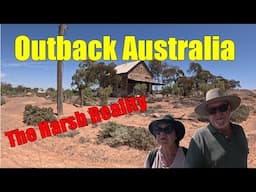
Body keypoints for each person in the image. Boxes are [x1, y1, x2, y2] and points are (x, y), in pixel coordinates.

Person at [185, 88, 249, 168]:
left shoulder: (239, 130)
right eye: (212, 110)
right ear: (208, 114)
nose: (218, 114)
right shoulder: (200, 137)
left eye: (222, 108)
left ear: (229, 109)